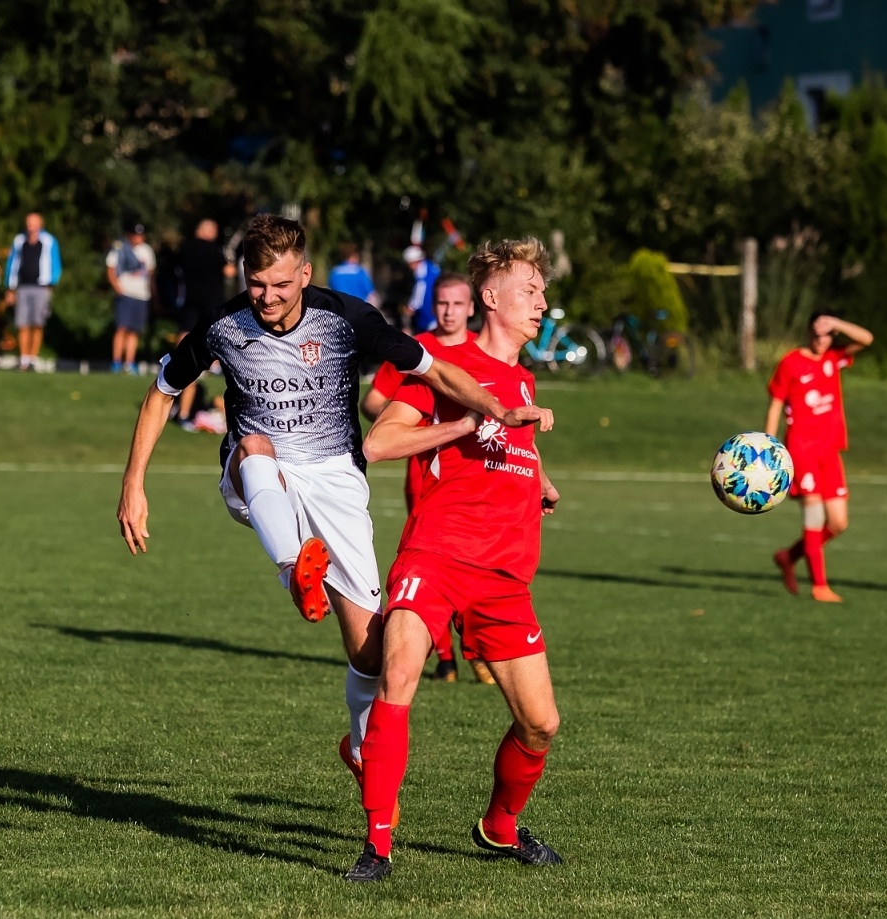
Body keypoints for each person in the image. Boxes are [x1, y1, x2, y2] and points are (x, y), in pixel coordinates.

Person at [117, 214, 550, 829]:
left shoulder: (347, 318)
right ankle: (296, 566)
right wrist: (134, 484)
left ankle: (356, 742)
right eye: (256, 284)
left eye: (280, 286)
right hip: (260, 473)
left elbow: (434, 368)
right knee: (254, 449)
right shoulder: (223, 326)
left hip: (336, 480)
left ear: (305, 275)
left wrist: (495, 409)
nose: (266, 298)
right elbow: (162, 391)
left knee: (370, 650)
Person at [346, 237, 565, 883]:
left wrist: (539, 480)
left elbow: (508, 441)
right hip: (438, 551)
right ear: (490, 298)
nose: (542, 304)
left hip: (504, 573)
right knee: (401, 676)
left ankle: (499, 826)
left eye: (542, 293)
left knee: (541, 724)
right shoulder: (443, 364)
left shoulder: (523, 378)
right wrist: (470, 422)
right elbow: (381, 441)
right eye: (530, 292)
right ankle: (376, 845)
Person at [360, 272, 490, 685]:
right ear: (433, 306)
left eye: (457, 304)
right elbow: (374, 402)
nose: (449, 311)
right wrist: (414, 426)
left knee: (475, 567)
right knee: (430, 571)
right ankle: (447, 659)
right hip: (427, 480)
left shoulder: (487, 351)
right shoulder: (417, 350)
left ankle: (477, 649)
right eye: (442, 304)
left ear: (472, 308)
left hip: (477, 481)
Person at [765, 310, 875, 603]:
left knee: (838, 523)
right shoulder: (791, 362)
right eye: (816, 333)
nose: (821, 340)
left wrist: (837, 322)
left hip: (830, 451)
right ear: (808, 332)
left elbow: (867, 339)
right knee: (814, 517)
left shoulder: (833, 359)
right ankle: (819, 585)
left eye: (827, 334)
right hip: (801, 450)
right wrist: (768, 444)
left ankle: (789, 557)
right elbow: (776, 402)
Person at [5, 212, 61, 372]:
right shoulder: (19, 240)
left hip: (41, 287)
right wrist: (10, 286)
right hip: (22, 286)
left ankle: (33, 358)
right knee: (22, 323)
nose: (30, 226)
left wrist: (52, 283)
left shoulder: (49, 241)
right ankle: (23, 359)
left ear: (40, 224)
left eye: (33, 223)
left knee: (37, 323)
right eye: (28, 223)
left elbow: (55, 263)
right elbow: (12, 263)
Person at [107, 224, 155, 374]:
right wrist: (118, 288)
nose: (137, 238)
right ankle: (116, 362)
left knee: (134, 331)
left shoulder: (147, 250)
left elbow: (150, 273)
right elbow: (111, 269)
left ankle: (129, 362)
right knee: (121, 328)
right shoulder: (121, 247)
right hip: (126, 293)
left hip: (141, 295)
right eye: (134, 235)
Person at [176, 218, 232, 340]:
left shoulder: (187, 247)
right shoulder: (213, 250)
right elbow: (228, 271)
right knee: (212, 330)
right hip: (211, 297)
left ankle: (180, 358)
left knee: (186, 328)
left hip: (190, 295)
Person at [402, 244, 439, 333]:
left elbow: (419, 297)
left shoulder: (422, 275)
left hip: (428, 317)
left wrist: (410, 308)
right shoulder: (431, 267)